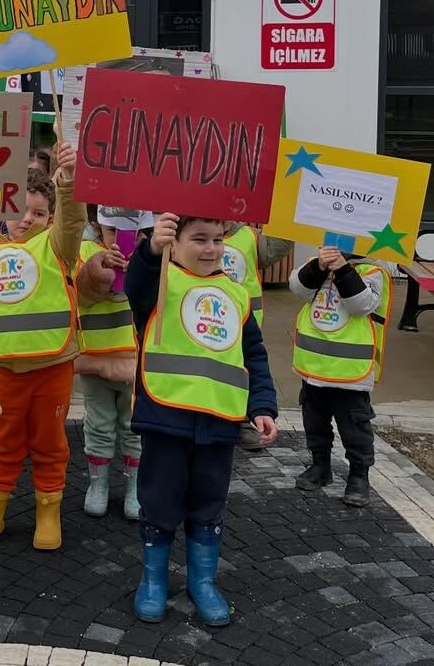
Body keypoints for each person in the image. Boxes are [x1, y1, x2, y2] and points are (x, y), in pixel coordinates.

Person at [124, 213, 278, 627]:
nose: (211, 248)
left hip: (220, 423)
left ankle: (203, 582)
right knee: (159, 501)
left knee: (209, 502)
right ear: (175, 242)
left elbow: (254, 354)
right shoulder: (158, 282)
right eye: (199, 239)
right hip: (166, 418)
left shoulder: (235, 292)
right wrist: (151, 249)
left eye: (218, 239)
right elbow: (134, 286)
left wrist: (262, 406)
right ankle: (153, 581)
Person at [0, 141, 84, 552]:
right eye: (19, 210)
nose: (27, 219)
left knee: (51, 441)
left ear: (50, 218)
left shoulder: (56, 246)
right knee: (4, 439)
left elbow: (71, 223)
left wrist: (67, 183)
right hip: (3, 370)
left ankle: (48, 512)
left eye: (38, 213)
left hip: (53, 365)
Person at [290, 246, 391, 508]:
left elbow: (362, 305)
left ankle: (359, 474)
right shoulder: (317, 264)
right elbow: (297, 287)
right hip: (315, 365)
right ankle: (320, 464)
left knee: (354, 426)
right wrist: (319, 267)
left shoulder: (373, 270)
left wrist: (343, 270)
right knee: (314, 420)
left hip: (350, 371)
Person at [75, 224, 140, 520]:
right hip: (96, 356)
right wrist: (97, 271)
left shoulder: (154, 250)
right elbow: (79, 296)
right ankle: (97, 484)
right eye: (111, 227)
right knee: (98, 424)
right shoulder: (83, 250)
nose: (120, 234)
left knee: (134, 427)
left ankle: (135, 487)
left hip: (136, 357)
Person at [219, 222, 291, 450]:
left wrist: (288, 214)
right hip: (202, 319)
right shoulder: (186, 229)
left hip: (242, 323)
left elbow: (279, 244)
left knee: (242, 371)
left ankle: (242, 420)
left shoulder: (250, 236)